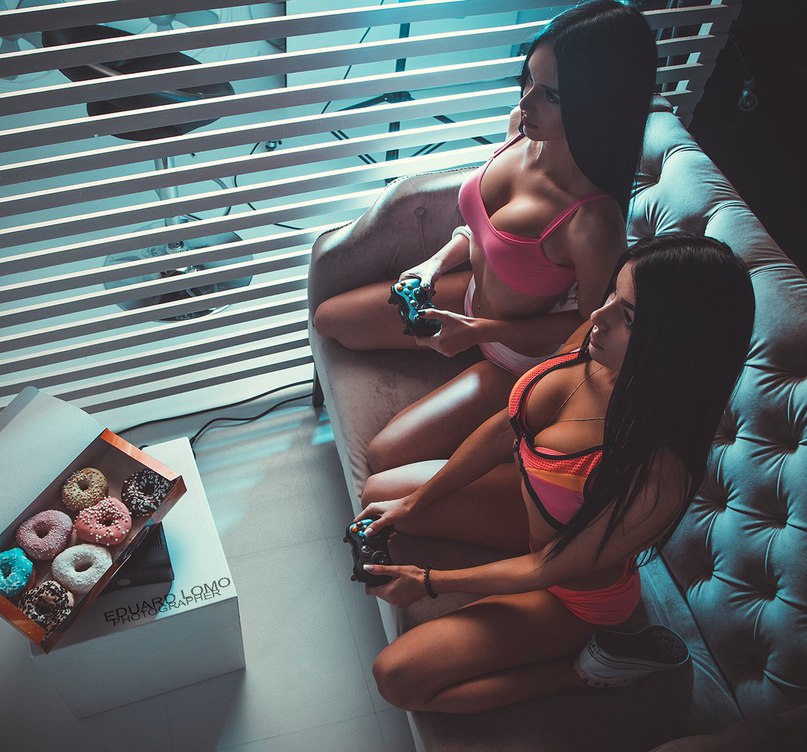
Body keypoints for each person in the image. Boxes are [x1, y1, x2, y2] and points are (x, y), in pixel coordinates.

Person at [354, 234, 755, 713]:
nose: (598, 314)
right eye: (614, 294)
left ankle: (593, 671)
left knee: (398, 679)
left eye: (628, 317)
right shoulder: (598, 343)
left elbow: (547, 567)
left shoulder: (658, 473)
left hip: (571, 591)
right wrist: (413, 503)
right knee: (382, 493)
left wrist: (430, 581)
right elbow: (503, 428)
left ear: (678, 346)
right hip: (533, 511)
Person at [314, 0, 658, 472]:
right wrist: (434, 264)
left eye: (551, 96)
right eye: (528, 79)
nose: (525, 103)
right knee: (330, 319)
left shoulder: (593, 222)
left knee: (382, 456)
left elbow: (584, 327)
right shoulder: (522, 130)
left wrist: (480, 333)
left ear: (597, 105)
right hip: (469, 298)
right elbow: (486, 231)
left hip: (514, 354)